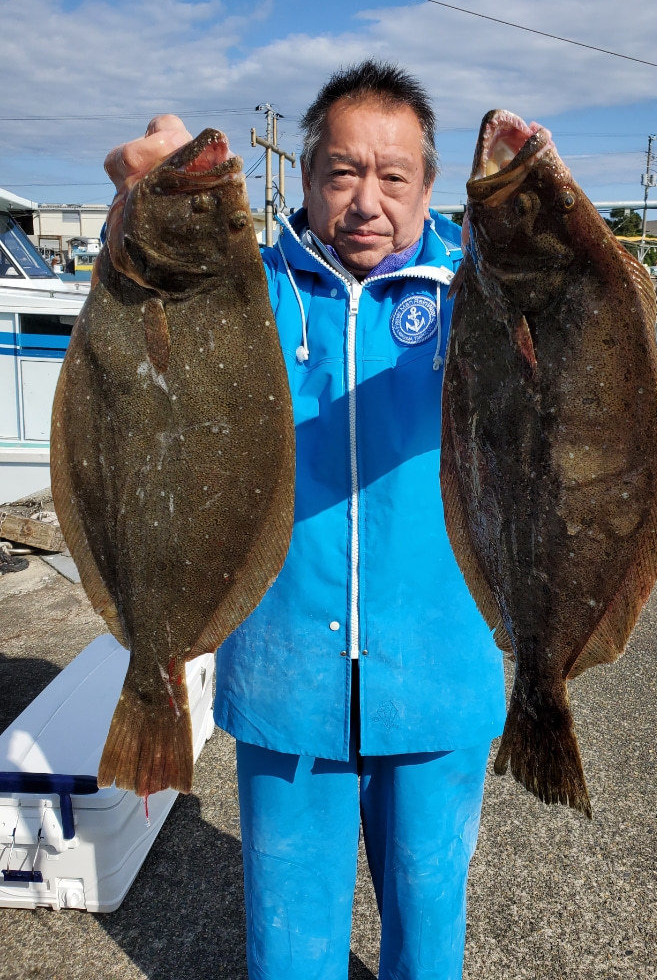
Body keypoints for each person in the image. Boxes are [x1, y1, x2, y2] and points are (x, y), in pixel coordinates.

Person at [104, 60, 506, 980]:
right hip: (286, 672)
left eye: (393, 176)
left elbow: (580, 323)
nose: (367, 201)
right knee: (289, 942)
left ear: (429, 186)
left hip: (441, 665)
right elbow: (141, 299)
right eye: (342, 172)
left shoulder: (480, 290)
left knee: (429, 924)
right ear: (306, 176)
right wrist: (143, 192)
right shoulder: (249, 285)